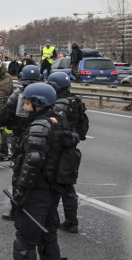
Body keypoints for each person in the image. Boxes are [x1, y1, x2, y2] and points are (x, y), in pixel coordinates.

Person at [0, 83, 75, 260]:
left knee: (25, 242)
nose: (26, 105)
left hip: (36, 192)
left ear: (39, 104)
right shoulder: (57, 121)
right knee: (49, 237)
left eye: (29, 101)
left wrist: (20, 193)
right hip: (51, 191)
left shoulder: (39, 126)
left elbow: (32, 162)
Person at [0, 65, 42, 221]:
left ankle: (16, 210)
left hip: (22, 140)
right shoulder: (47, 96)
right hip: (43, 141)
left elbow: (4, 117)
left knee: (19, 175)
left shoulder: (17, 95)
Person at [48, 72, 85, 233]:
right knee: (68, 186)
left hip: (60, 149)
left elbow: (55, 128)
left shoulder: (60, 104)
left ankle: (52, 220)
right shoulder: (75, 101)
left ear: (55, 87)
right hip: (72, 147)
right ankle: (71, 221)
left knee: (53, 185)